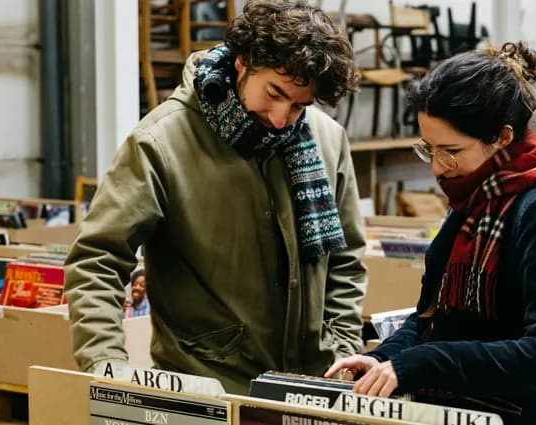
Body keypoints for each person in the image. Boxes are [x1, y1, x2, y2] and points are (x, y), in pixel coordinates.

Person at [64, 0, 366, 395]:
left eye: (298, 105)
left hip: (314, 387)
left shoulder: (326, 138)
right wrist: (107, 368)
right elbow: (97, 260)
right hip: (207, 392)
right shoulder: (161, 143)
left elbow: (344, 260)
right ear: (243, 62)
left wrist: (343, 350)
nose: (280, 118)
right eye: (274, 93)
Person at [325, 42, 536, 425]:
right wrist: (383, 359)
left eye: (450, 151)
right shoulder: (473, 198)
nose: (436, 168)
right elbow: (432, 319)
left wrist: (421, 363)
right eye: (428, 149)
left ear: (501, 138)